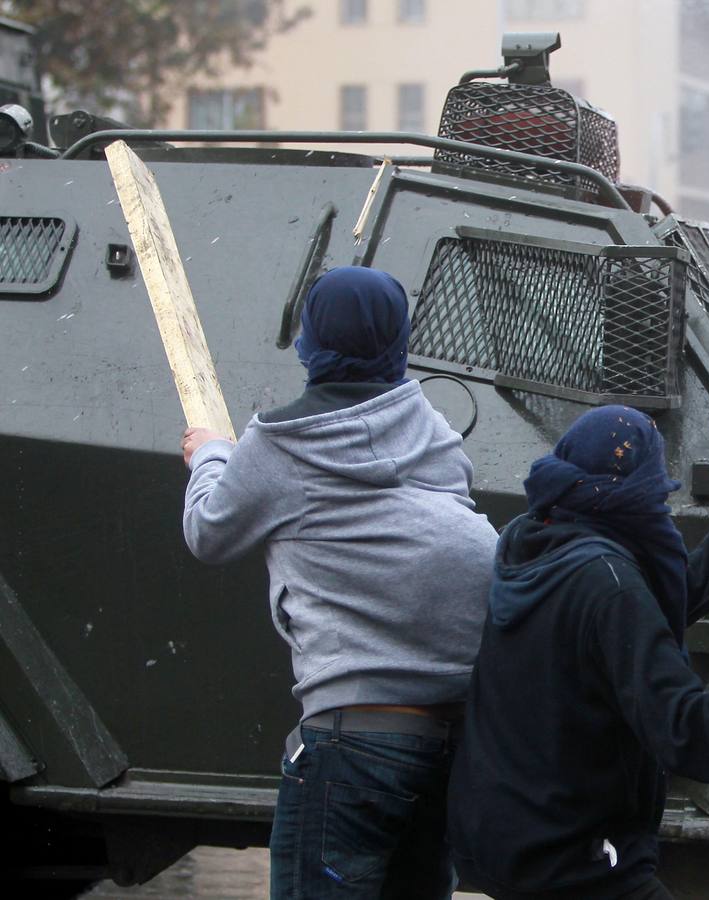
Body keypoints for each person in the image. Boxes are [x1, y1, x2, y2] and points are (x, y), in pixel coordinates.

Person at [448, 406, 709, 900]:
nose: (661, 504)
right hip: (568, 859)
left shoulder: (534, 540)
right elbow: (684, 730)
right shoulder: (609, 586)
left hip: (496, 835)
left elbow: (664, 595)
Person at [179, 266, 498, 899]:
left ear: (312, 337)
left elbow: (209, 532)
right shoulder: (429, 426)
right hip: (450, 741)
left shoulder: (282, 444)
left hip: (351, 740)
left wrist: (211, 454)